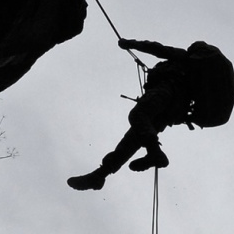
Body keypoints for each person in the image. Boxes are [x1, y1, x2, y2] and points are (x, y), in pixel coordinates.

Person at [67, 38, 197, 191]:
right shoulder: (198, 74)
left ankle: (154, 152)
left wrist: (132, 43)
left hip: (168, 91)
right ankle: (99, 175)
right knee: (135, 136)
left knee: (138, 114)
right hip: (176, 110)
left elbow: (158, 49)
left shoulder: (186, 57)